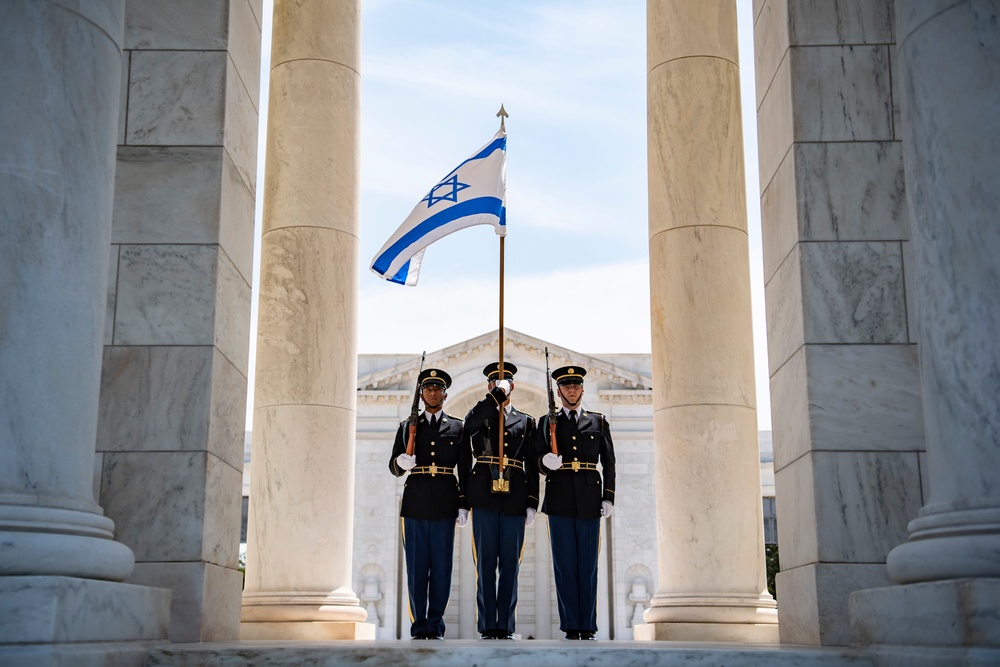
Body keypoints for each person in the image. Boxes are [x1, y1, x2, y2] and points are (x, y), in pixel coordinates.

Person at [459, 361, 539, 640]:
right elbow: (467, 427)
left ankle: (504, 625)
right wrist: (494, 399)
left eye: (503, 384)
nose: (498, 387)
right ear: (489, 386)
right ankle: (486, 625)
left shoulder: (527, 421)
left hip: (515, 495)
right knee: (485, 563)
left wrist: (532, 501)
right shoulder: (480, 414)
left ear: (512, 386)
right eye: (493, 384)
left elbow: (531, 463)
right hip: (483, 495)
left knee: (509, 565)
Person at [536, 365, 616, 640]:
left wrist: (609, 497)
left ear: (582, 389)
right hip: (559, 499)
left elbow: (609, 462)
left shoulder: (598, 421)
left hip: (589, 499)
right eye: (566, 386)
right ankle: (571, 625)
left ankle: (588, 626)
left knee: (588, 566)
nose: (571, 390)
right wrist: (545, 462)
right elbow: (537, 458)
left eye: (576, 385)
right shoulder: (547, 422)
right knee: (564, 565)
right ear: (558, 392)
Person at [388, 368, 464, 639]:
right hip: (416, 503)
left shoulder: (457, 427)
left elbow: (464, 468)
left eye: (438, 389)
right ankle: (419, 624)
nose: (433, 393)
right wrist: (401, 462)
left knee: (442, 569)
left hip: (445, 502)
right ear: (421, 394)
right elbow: (393, 467)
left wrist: (463, 503)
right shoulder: (406, 426)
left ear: (445, 393)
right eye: (428, 389)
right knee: (417, 568)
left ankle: (436, 625)